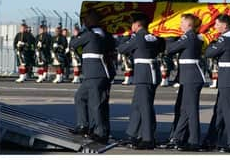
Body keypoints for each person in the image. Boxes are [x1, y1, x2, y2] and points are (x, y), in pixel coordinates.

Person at [117, 13, 164, 150]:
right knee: (138, 105)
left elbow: (122, 49)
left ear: (137, 25)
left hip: (144, 75)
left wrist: (126, 36)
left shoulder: (138, 37)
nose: (131, 26)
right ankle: (133, 134)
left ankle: (148, 138)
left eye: (132, 24)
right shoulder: (153, 37)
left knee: (144, 107)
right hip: (151, 73)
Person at [68, 10, 116, 143]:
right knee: (81, 97)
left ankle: (100, 133)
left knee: (96, 104)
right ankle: (84, 125)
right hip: (95, 74)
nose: (85, 22)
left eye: (87, 20)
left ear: (93, 21)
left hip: (96, 74)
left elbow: (73, 44)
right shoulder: (104, 35)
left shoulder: (90, 35)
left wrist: (77, 34)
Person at [201, 14, 230, 153]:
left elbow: (208, 53)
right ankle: (212, 140)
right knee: (220, 110)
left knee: (229, 110)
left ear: (224, 25)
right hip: (229, 76)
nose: (214, 26)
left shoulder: (225, 39)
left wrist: (212, 42)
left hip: (228, 77)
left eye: (217, 24)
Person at [165, 13, 205, 151]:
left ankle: (194, 140)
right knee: (184, 109)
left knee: (191, 110)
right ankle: (178, 137)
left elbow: (170, 49)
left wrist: (169, 36)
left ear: (189, 24)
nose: (180, 25)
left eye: (182, 23)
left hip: (192, 78)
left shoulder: (189, 37)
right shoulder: (190, 37)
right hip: (188, 77)